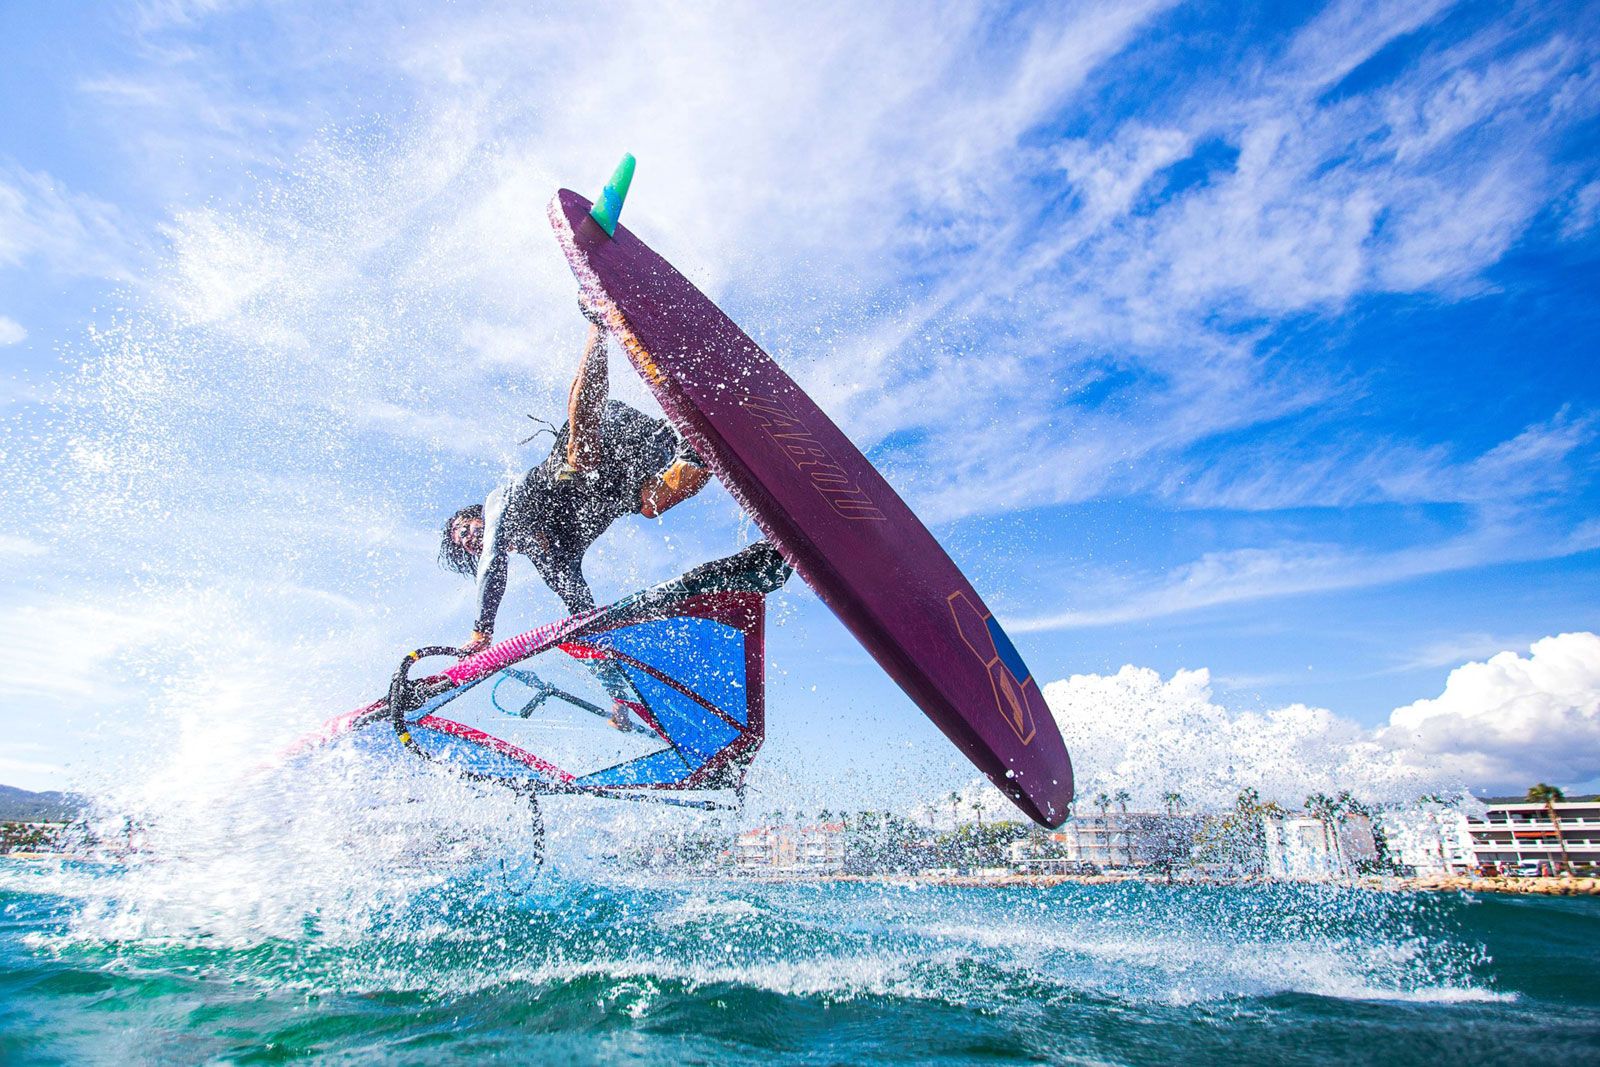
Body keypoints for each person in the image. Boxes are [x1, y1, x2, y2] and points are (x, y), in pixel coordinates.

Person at [440, 305, 711, 660]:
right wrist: (617, 696)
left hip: (602, 427)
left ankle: (598, 326)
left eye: (466, 529)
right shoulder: (554, 561)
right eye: (465, 544)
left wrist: (482, 632)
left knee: (580, 459)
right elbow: (584, 618)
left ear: (478, 517)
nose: (469, 539)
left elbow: (493, 561)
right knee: (650, 504)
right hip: (648, 451)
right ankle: (702, 452)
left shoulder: (499, 503)